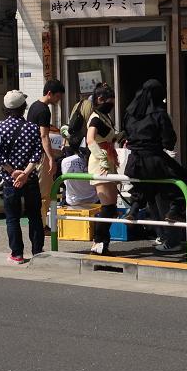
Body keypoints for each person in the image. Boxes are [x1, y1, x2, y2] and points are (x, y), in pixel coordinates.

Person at [123, 79, 187, 252]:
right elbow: (169, 141)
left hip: (134, 163)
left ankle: (134, 210)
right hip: (155, 161)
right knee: (182, 184)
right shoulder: (159, 113)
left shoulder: (130, 112)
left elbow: (127, 135)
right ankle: (173, 217)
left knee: (146, 192)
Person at [0, 90, 44, 264]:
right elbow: (37, 154)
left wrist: (13, 172)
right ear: (23, 107)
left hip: (10, 180)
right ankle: (38, 252)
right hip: (30, 178)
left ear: (6, 108)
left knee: (12, 218)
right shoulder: (32, 128)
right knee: (34, 216)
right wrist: (25, 173)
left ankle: (17, 254)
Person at [27, 80, 66, 234]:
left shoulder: (34, 106)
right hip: (41, 155)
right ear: (50, 93)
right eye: (57, 96)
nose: (58, 100)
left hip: (31, 154)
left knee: (37, 190)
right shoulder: (44, 110)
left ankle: (39, 224)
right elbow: (44, 136)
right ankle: (42, 226)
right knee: (44, 192)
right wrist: (51, 158)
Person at [86, 83, 120, 255]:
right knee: (108, 206)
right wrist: (102, 159)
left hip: (108, 160)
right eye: (110, 101)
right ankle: (99, 243)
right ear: (100, 99)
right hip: (100, 163)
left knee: (111, 207)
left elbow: (109, 138)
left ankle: (101, 243)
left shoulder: (104, 116)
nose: (112, 104)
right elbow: (90, 140)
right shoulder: (95, 118)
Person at [60, 142, 97, 207]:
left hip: (72, 201)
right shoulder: (94, 160)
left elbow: (63, 182)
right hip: (93, 200)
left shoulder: (64, 161)